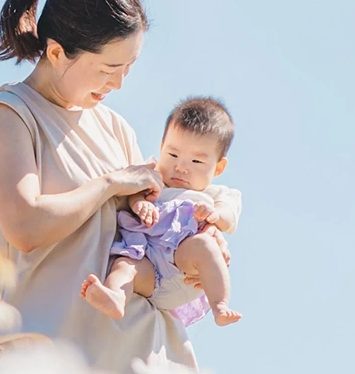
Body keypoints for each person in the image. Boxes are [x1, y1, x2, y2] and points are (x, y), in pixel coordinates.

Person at [0, 0, 224, 374]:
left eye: (129, 66)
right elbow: (25, 225)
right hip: (47, 371)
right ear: (55, 53)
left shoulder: (115, 127)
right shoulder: (9, 116)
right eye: (108, 67)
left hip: (142, 365)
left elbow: (144, 237)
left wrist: (197, 246)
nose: (119, 82)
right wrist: (109, 184)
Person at [81, 95, 243, 330]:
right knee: (125, 264)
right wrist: (139, 203)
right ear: (161, 147)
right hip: (150, 268)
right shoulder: (152, 176)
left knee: (205, 246)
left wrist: (214, 215)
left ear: (218, 167)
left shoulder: (216, 193)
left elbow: (229, 215)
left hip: (184, 270)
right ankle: (116, 296)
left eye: (196, 161)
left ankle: (220, 305)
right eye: (173, 154)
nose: (180, 166)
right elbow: (133, 192)